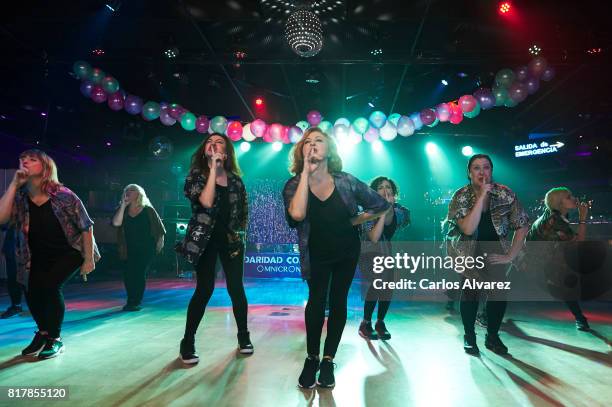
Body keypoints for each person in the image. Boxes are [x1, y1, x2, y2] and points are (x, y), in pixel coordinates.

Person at [283, 127, 389, 388]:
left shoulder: (346, 181)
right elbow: (296, 215)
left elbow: (380, 204)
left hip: (345, 251)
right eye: (307, 142)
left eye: (319, 140)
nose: (313, 145)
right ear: (301, 150)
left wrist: (355, 219)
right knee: (317, 302)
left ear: (329, 149)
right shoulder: (295, 184)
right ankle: (311, 358)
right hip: (315, 252)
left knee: (339, 302)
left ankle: (328, 360)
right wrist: (306, 172)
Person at [0, 149, 100, 359]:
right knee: (31, 291)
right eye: (22, 159)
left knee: (50, 287)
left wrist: (89, 259)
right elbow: (2, 218)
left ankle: (55, 339)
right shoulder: (20, 196)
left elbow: (85, 226)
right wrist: (13, 184)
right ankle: (43, 333)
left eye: (32, 159)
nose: (25, 161)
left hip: (69, 251)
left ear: (45, 167)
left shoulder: (63, 195)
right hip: (35, 254)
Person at [176, 133, 252, 364]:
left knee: (236, 289)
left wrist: (238, 234)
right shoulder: (196, 177)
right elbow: (206, 202)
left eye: (219, 142)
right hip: (204, 240)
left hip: (230, 240)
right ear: (204, 150)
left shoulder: (236, 180)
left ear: (226, 152)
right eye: (209, 142)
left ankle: (243, 336)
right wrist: (213, 170)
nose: (213, 144)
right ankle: (187, 341)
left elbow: (243, 211)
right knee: (204, 289)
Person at [445, 154, 529, 356]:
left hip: (495, 251)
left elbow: (522, 224)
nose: (482, 172)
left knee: (499, 295)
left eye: (486, 167)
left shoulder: (505, 194)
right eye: (476, 168)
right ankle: (469, 336)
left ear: (491, 170)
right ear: (469, 173)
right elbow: (467, 228)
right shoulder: (461, 195)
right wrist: (482, 195)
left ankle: (492, 336)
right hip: (467, 250)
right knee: (471, 293)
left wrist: (510, 255)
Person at [527, 187, 590, 330]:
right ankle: (580, 319)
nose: (574, 198)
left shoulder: (557, 215)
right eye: (568, 197)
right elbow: (579, 240)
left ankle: (580, 318)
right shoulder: (555, 221)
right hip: (531, 258)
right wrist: (582, 217)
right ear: (559, 204)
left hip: (541, 256)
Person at [359, 176, 411, 340]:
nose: (385, 190)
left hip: (386, 252)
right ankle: (365, 323)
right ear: (374, 191)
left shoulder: (400, 211)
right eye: (380, 187)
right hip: (368, 252)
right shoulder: (367, 210)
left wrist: (387, 208)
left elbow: (394, 224)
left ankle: (380, 322)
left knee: (388, 287)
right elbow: (374, 236)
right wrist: (382, 211)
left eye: (388, 187)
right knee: (378, 281)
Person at [112, 184, 165, 311]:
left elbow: (159, 229)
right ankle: (131, 299)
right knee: (128, 274)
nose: (129, 192)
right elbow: (116, 223)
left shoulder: (148, 210)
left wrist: (159, 244)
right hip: (128, 248)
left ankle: (135, 301)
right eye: (127, 190)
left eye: (132, 190)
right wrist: (123, 206)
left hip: (146, 248)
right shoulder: (122, 210)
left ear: (139, 194)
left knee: (139, 273)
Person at [1, 225, 23, 318]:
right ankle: (16, 305)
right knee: (12, 276)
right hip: (13, 242)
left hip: (19, 243)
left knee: (14, 276)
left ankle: (16, 305)